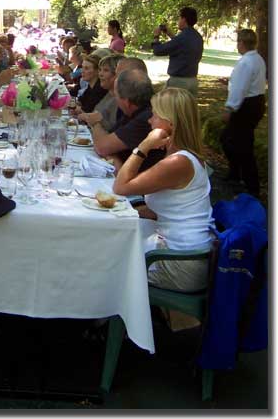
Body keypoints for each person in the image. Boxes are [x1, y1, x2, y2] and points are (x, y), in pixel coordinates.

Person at [113, 88, 214, 292]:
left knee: (110, 259)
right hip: (181, 252)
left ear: (170, 124)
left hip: (182, 264)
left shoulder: (178, 162)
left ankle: (103, 316)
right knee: (114, 241)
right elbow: (171, 209)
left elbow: (121, 187)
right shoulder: (182, 158)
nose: (150, 121)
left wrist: (144, 145)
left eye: (154, 115)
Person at [88, 68, 164, 171]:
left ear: (126, 102)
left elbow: (102, 147)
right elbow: (109, 138)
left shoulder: (147, 118)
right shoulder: (134, 110)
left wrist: (95, 122)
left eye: (116, 96)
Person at [220, 29, 266, 197]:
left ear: (241, 43)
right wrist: (230, 82)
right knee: (229, 139)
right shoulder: (257, 59)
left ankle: (251, 186)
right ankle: (236, 174)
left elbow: (241, 89)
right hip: (256, 103)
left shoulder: (246, 62)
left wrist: (229, 108)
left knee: (242, 145)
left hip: (247, 107)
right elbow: (245, 83)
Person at [151, 6, 203, 97]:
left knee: (167, 108)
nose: (178, 21)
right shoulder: (197, 37)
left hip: (179, 83)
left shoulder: (182, 38)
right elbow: (182, 47)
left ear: (184, 19)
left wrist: (156, 37)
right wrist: (170, 34)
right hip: (193, 81)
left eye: (179, 18)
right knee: (187, 110)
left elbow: (158, 51)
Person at [79, 54, 125, 131]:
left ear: (118, 74)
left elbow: (113, 130)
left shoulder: (121, 100)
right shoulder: (109, 93)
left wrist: (92, 119)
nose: (100, 74)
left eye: (106, 70)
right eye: (100, 70)